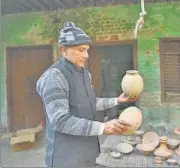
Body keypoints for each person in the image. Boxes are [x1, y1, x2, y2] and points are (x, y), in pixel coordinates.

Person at [36, 21, 139, 167]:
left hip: (87, 152)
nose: (86, 55)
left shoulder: (85, 74)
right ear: (64, 50)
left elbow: (92, 102)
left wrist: (117, 100)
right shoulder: (54, 77)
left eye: (87, 50)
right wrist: (103, 128)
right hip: (65, 157)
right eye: (81, 50)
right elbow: (60, 121)